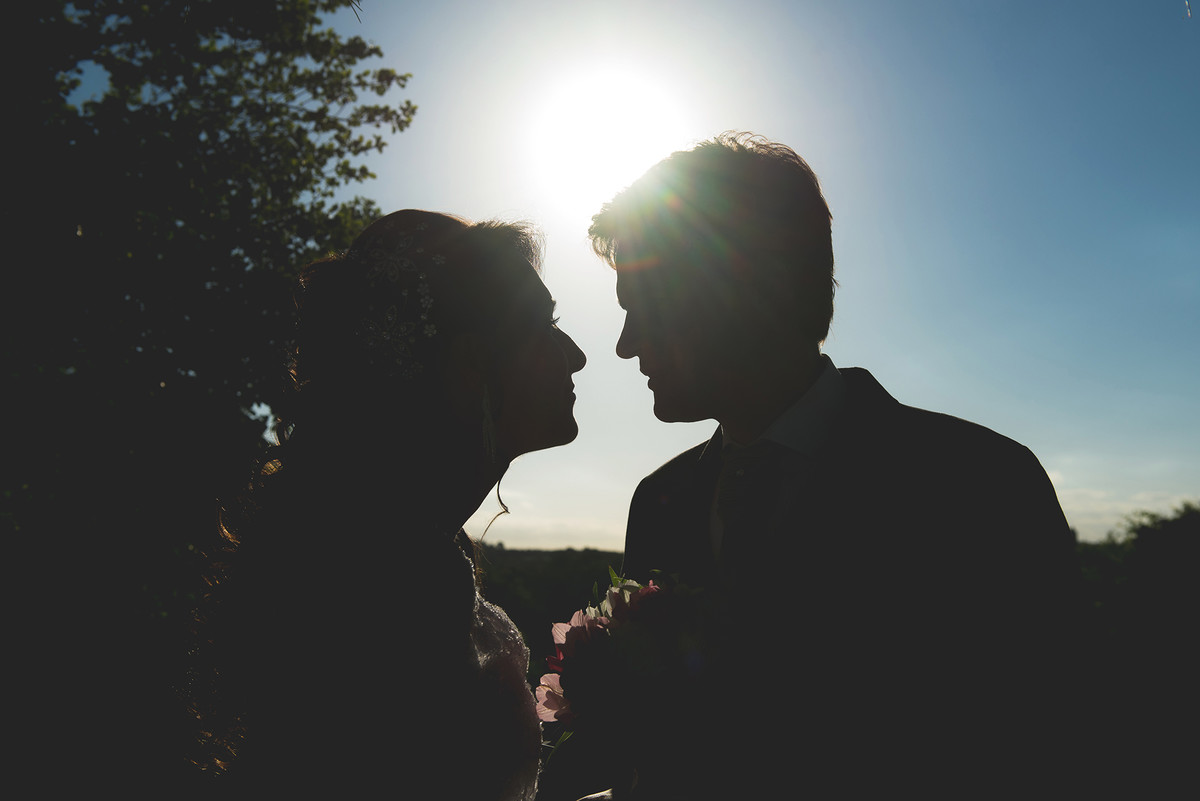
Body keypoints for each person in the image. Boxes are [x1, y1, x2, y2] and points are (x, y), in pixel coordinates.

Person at [582, 133, 1081, 797]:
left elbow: (1046, 744)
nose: (624, 345)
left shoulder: (982, 483)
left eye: (644, 311)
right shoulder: (660, 501)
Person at [188, 210, 586, 798]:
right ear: (469, 365)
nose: (575, 355)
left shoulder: (403, 547)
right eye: (544, 328)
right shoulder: (379, 589)